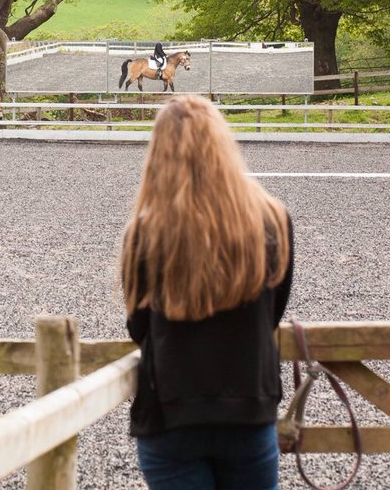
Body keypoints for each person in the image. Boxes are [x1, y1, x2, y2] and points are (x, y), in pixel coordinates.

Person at [120, 94, 294, 490]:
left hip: (170, 409)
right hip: (248, 406)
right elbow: (273, 313)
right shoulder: (273, 220)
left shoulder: (144, 232)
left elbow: (139, 327)